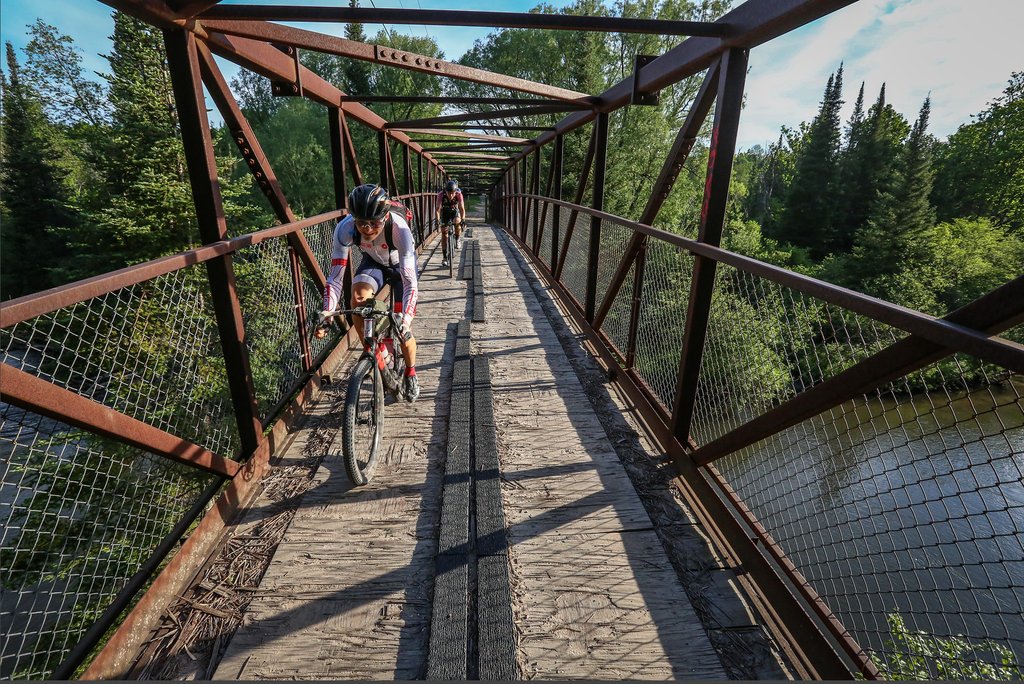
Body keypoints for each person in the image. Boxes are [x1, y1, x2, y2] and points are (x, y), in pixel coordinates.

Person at [316, 184, 419, 402]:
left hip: (401, 267)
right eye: (362, 222)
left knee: (404, 331)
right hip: (374, 262)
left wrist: (406, 320)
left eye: (375, 222)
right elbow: (335, 277)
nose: (368, 229)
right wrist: (327, 312)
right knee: (357, 301)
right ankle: (374, 351)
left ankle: (410, 372)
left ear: (386, 216)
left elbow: (410, 282)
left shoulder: (399, 229)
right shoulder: (345, 229)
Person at [434, 179, 466, 266]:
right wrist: (437, 221)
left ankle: (457, 238)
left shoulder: (459, 194)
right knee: (444, 233)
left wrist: (463, 220)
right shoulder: (441, 194)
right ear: (446, 191)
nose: (451, 195)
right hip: (445, 212)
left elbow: (462, 209)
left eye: (453, 193)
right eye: (449, 193)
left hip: (454, 211)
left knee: (457, 222)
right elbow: (437, 210)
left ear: (455, 191)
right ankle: (444, 257)